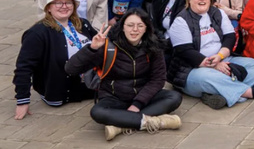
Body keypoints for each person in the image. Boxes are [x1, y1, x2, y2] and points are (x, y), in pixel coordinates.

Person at [65, 8, 183, 140]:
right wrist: (92, 48)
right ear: (122, 27)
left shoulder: (154, 47)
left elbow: (158, 79)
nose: (135, 30)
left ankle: (121, 125)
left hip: (143, 97)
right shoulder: (108, 46)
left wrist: (137, 104)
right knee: (97, 112)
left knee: (174, 97)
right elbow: (71, 69)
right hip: (114, 97)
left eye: (140, 26)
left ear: (146, 29)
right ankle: (153, 121)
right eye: (130, 25)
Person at [167, 0, 254, 109]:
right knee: (207, 77)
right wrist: (214, 65)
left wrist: (220, 56)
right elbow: (185, 51)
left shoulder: (217, 13)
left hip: (223, 58)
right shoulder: (181, 20)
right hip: (191, 69)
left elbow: (230, 36)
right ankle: (250, 92)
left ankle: (216, 93)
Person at [14, 0, 97, 119]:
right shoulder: (37, 33)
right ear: (48, 8)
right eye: (58, 3)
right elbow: (24, 67)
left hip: (91, 84)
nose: (64, 6)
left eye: (68, 3)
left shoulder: (82, 24)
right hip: (62, 92)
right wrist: (22, 100)